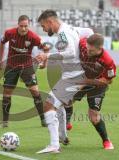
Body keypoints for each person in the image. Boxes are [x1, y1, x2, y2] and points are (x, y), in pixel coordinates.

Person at [35, 10, 85, 154]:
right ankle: (62, 136)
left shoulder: (63, 33)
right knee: (58, 105)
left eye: (43, 26)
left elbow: (70, 53)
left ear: (50, 22)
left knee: (49, 104)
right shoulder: (70, 29)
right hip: (73, 76)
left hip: (73, 77)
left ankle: (54, 145)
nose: (44, 29)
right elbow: (89, 32)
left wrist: (47, 56)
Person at [0, 15, 48, 128]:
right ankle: (4, 121)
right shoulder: (9, 33)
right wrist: (0, 61)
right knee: (7, 93)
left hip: (27, 66)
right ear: (17, 25)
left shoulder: (33, 37)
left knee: (35, 92)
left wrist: (45, 63)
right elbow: (1, 43)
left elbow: (46, 49)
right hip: (11, 66)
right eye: (21, 26)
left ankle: (43, 120)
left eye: (26, 26)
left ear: (28, 25)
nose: (24, 28)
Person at [74, 33, 116, 150]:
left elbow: (109, 80)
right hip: (83, 77)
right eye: (87, 48)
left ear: (100, 48)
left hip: (98, 85)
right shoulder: (83, 44)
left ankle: (106, 141)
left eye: (91, 51)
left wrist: (87, 82)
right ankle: (65, 126)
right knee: (65, 100)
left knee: (94, 116)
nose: (87, 52)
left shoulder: (107, 61)